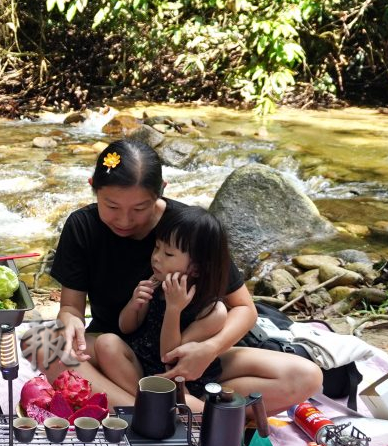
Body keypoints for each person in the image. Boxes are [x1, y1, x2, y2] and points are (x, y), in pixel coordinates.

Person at [37, 139, 321, 415]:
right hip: (118, 353)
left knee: (305, 375)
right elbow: (71, 307)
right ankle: (160, 412)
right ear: (93, 189)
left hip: (190, 357)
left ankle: (157, 409)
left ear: (161, 191)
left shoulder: (189, 229)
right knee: (42, 345)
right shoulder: (82, 226)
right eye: (111, 206)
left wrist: (209, 348)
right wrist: (70, 320)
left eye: (139, 208)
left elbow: (244, 308)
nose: (124, 220)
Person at [98, 205, 229, 398]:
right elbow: (125, 327)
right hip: (142, 362)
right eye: (157, 247)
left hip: (176, 379)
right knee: (106, 343)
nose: (156, 258)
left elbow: (170, 356)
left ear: (197, 268)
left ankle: (154, 402)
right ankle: (144, 398)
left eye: (168, 254)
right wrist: (135, 303)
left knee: (193, 406)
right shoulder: (157, 281)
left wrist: (173, 309)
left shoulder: (211, 310)